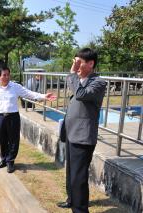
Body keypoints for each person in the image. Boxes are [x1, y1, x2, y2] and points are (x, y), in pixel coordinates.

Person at [57, 48, 107, 213]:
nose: (76, 65)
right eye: (74, 62)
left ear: (91, 64)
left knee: (79, 177)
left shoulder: (98, 83)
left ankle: (80, 210)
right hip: (72, 133)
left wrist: (72, 74)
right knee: (71, 172)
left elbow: (80, 95)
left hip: (83, 136)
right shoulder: (79, 80)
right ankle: (71, 199)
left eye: (79, 62)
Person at [0, 67, 56, 173]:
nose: (6, 77)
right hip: (0, 117)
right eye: (4, 75)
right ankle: (4, 159)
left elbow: (29, 93)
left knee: (14, 140)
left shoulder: (15, 87)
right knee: (2, 139)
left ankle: (10, 161)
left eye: (8, 75)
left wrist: (43, 96)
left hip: (13, 117)